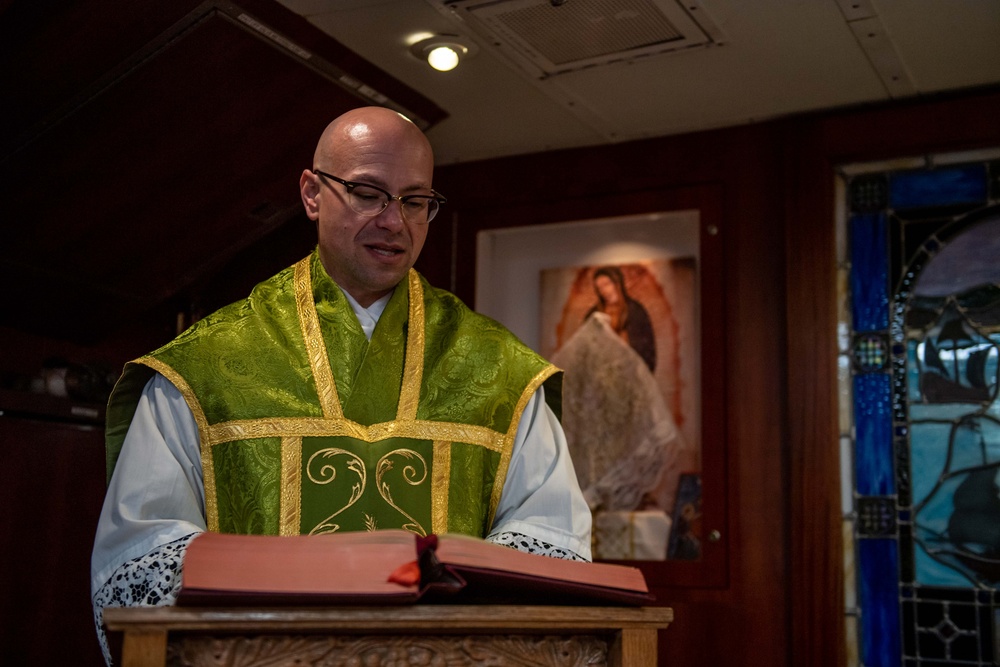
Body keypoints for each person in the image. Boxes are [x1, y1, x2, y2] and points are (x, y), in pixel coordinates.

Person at [90, 107, 591, 664]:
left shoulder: (501, 373)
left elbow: (552, 544)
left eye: (415, 199)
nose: (394, 221)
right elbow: (141, 557)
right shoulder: (203, 368)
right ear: (311, 193)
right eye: (368, 193)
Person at [585, 266, 656, 372]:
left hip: (630, 370)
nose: (604, 291)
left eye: (607, 284)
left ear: (617, 283)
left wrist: (626, 342)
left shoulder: (635, 310)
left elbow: (647, 347)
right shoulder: (594, 314)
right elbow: (586, 345)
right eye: (599, 288)